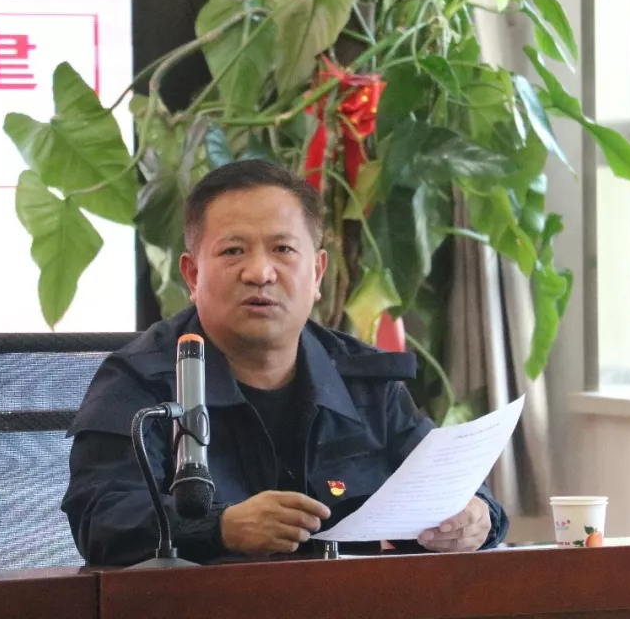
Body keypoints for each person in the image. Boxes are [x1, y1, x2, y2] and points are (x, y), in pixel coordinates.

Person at [61, 159, 509, 565]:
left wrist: (475, 517)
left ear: (317, 273)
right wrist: (220, 527)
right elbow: (100, 517)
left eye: (283, 249)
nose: (260, 273)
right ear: (193, 275)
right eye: (233, 251)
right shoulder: (140, 380)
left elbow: (448, 485)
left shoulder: (363, 379)